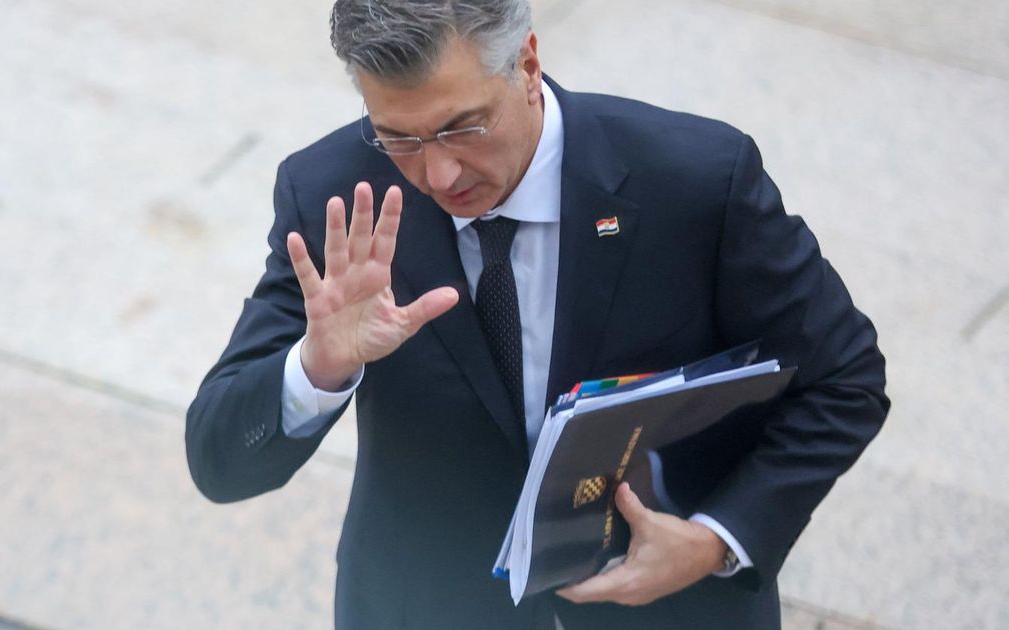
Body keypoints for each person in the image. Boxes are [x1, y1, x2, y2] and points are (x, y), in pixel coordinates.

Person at [185, 1, 889, 628]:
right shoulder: (336, 196)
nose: (439, 176)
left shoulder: (696, 182)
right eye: (398, 138)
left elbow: (844, 378)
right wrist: (319, 367)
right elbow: (219, 460)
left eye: (463, 127)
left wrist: (714, 540)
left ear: (526, 64)